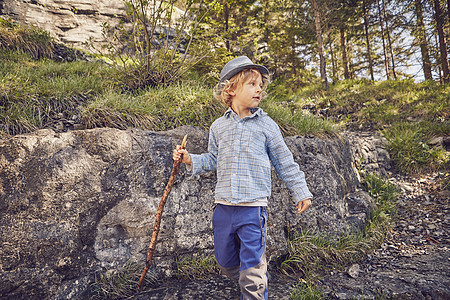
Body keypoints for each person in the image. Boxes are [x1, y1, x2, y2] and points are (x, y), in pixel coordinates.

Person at [173, 56, 312, 299]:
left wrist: (300, 190)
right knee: (225, 260)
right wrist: (189, 159)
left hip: (253, 209)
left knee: (252, 271)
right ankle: (250, 275)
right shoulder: (218, 126)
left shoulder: (267, 126)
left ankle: (254, 283)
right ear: (231, 89)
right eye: (252, 84)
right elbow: (213, 159)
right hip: (224, 208)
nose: (259, 89)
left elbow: (284, 161)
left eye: (260, 85)